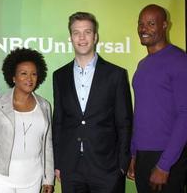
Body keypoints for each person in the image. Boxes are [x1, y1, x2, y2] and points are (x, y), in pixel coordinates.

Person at [52, 11, 133, 193]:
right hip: (71, 168)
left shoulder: (116, 75)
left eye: (87, 32)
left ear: (95, 37)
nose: (82, 37)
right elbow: (59, 121)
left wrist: (122, 165)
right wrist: (58, 162)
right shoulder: (59, 76)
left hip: (107, 168)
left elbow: (124, 122)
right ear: (70, 38)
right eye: (76, 32)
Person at [127, 4, 187, 193]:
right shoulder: (142, 65)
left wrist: (164, 165)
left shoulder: (181, 62)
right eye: (141, 24)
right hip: (143, 155)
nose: (144, 29)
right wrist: (134, 154)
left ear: (165, 25)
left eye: (151, 23)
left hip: (167, 158)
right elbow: (140, 111)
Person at [0, 48, 54, 193]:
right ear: (13, 77)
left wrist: (48, 178)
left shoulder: (44, 106)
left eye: (33, 74)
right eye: (23, 73)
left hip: (33, 178)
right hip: (1, 178)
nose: (29, 78)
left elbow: (47, 146)